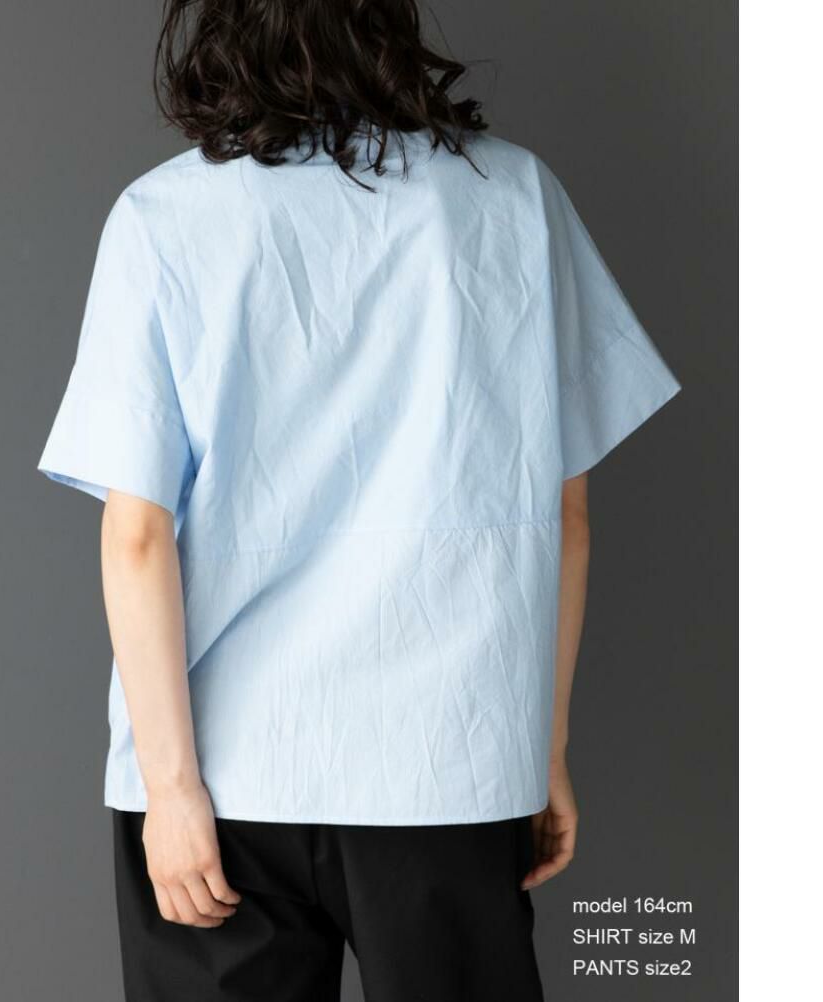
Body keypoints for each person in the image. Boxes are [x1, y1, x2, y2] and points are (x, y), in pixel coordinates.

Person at [38, 1, 681, 999]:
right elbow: (565, 517)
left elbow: (137, 537)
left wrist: (170, 789)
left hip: (224, 777)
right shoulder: (515, 197)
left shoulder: (161, 217)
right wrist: (540, 748)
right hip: (449, 762)